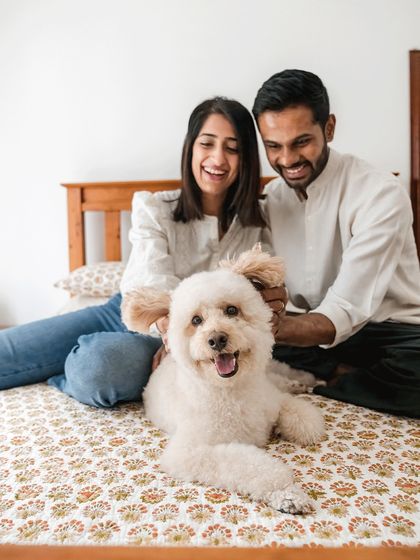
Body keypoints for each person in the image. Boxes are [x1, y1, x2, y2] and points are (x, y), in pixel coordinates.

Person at [0, 96, 271, 407]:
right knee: (8, 352)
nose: (218, 158)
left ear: (247, 157)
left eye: (233, 148)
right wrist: (171, 333)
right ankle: (66, 357)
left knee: (97, 369)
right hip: (123, 314)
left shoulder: (258, 224)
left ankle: (66, 372)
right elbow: (149, 276)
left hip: (187, 339)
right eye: (207, 144)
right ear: (190, 148)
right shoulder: (154, 207)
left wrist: (179, 344)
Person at [252, 69, 420, 418]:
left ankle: (331, 382)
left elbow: (346, 308)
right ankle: (344, 380)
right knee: (255, 347)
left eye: (301, 142)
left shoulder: (380, 194)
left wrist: (274, 328)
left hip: (389, 335)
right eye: (273, 146)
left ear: (328, 128)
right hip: (306, 338)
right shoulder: (269, 199)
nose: (287, 160)